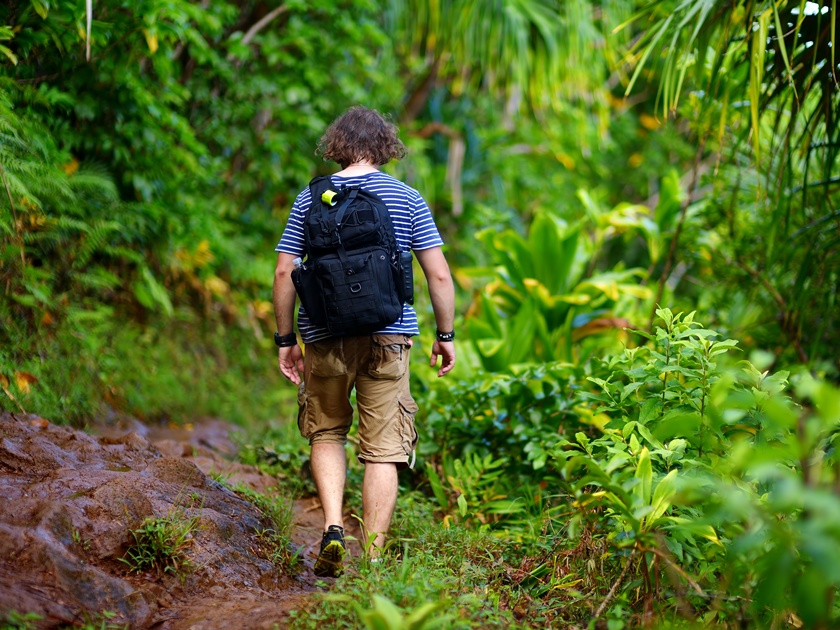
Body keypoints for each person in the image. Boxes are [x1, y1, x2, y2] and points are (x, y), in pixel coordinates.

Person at [272, 106, 456, 578]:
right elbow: (437, 272)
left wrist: (285, 337)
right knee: (384, 449)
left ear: (336, 146)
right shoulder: (407, 197)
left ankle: (333, 526)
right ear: (385, 147)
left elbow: (284, 271)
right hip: (388, 334)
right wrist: (445, 335)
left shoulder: (312, 197)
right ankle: (373, 560)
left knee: (327, 430)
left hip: (323, 335)